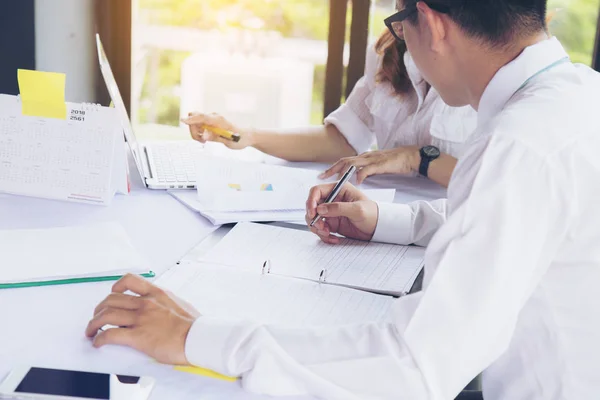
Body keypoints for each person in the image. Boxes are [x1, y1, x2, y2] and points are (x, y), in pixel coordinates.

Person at [86, 1, 600, 399]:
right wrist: (384, 222)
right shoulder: (579, 96)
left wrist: (199, 337)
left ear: (433, 24)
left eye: (401, 23)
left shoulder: (515, 145)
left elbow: (414, 365)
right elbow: (514, 224)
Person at [181, 30, 476, 187]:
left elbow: (498, 181)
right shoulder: (388, 52)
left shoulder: (485, 64)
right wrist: (249, 136)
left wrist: (414, 158)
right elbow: (341, 140)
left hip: (447, 231)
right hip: (379, 218)